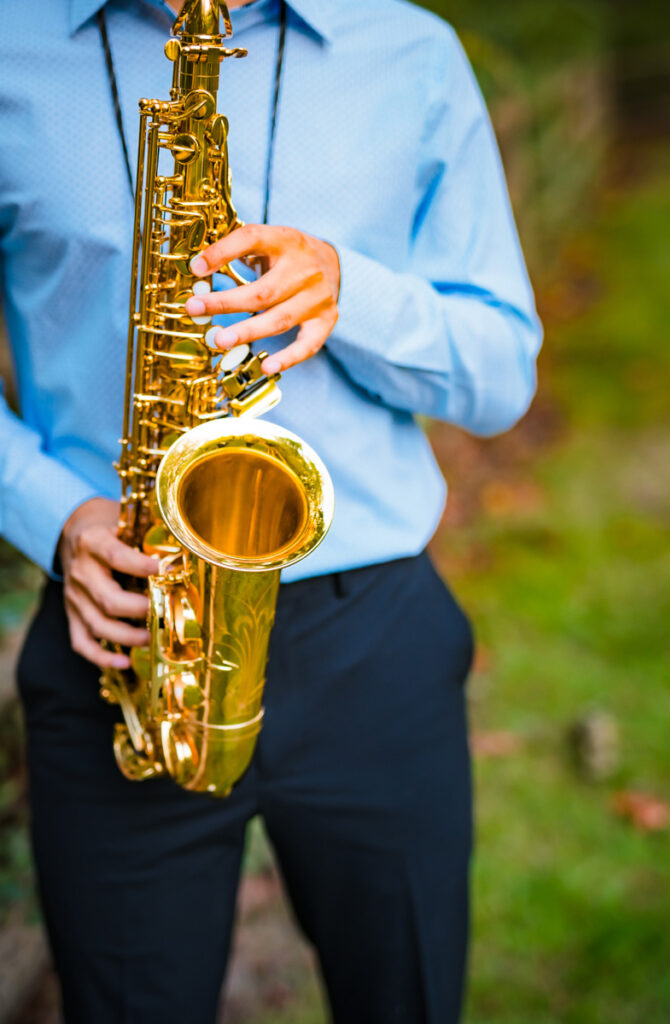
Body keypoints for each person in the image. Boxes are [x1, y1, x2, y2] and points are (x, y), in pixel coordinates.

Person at [0, 0, 542, 1021]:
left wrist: (354, 295)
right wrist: (53, 514)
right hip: (124, 635)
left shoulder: (412, 52)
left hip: (374, 642)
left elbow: (501, 371)